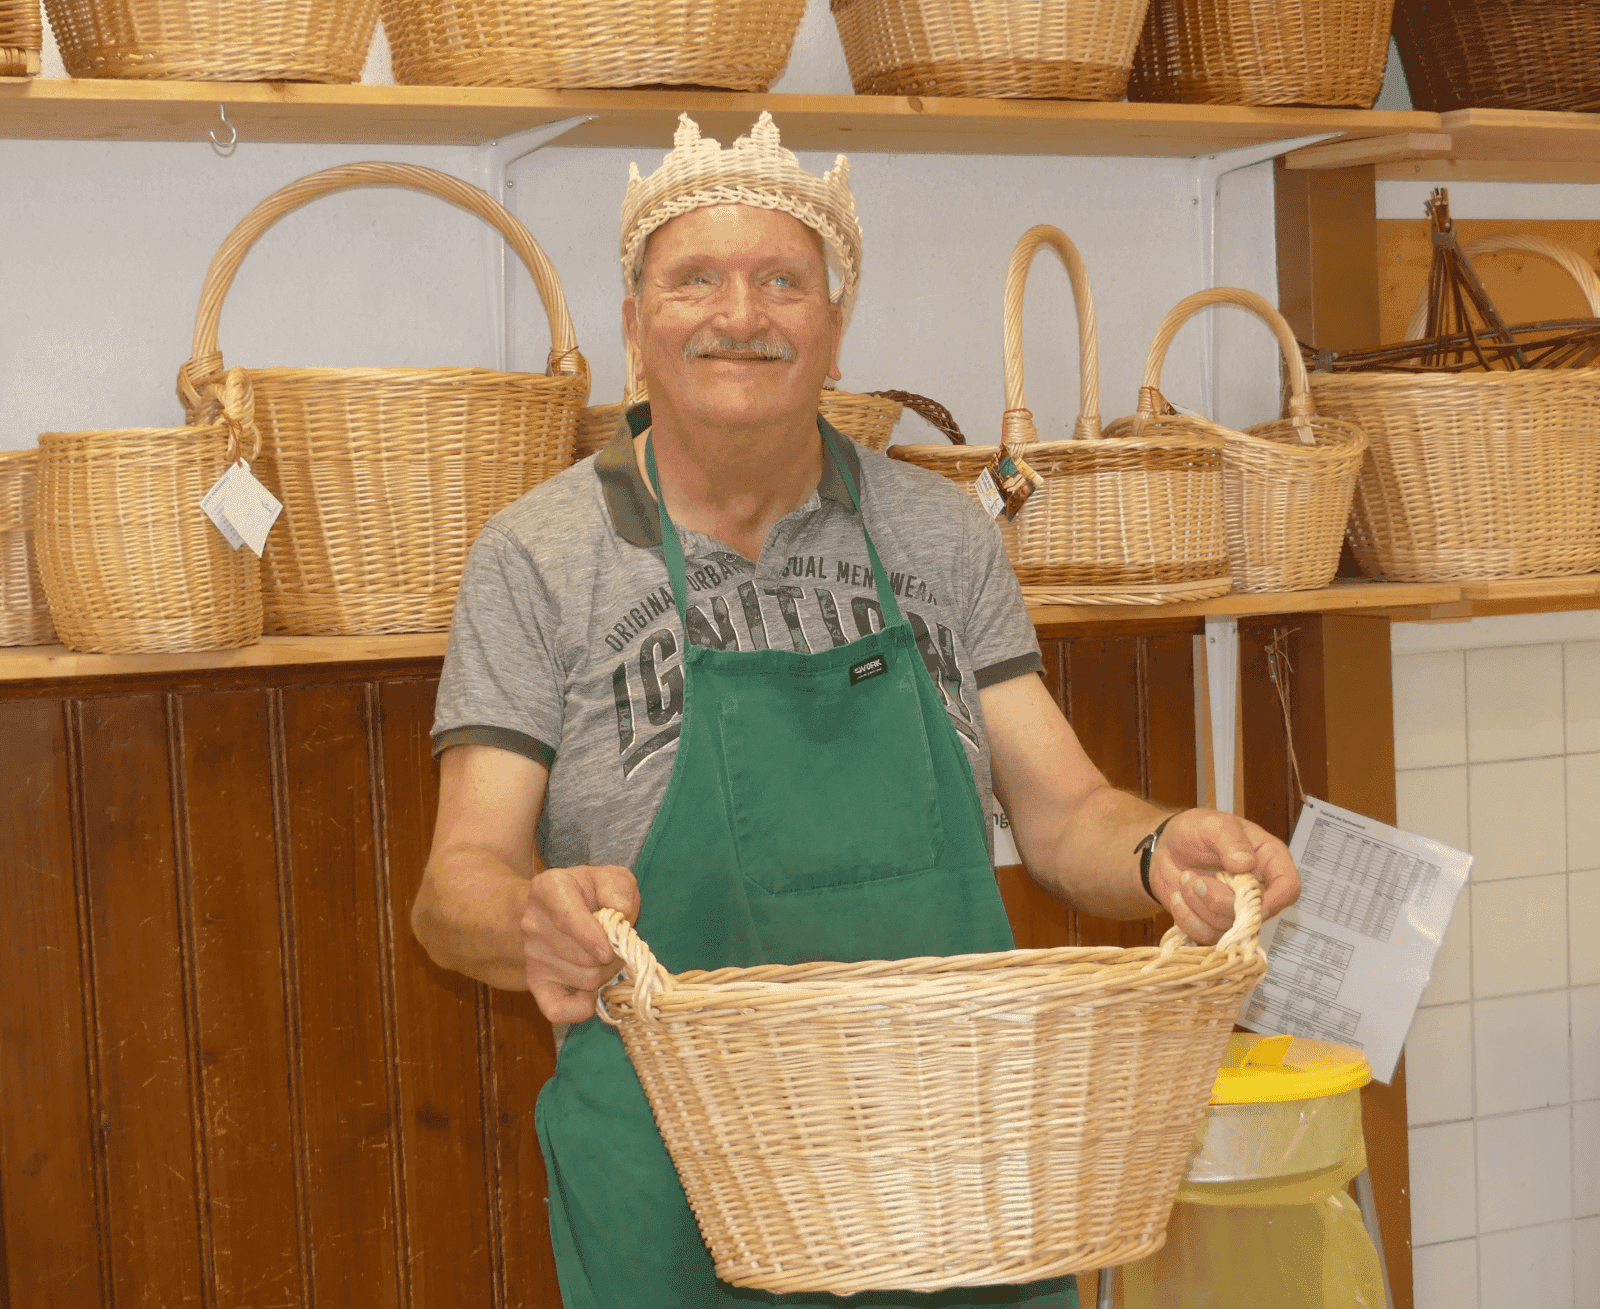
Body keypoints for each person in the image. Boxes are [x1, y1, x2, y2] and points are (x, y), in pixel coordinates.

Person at [413, 113, 1300, 1309]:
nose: (739, 314)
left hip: (952, 1166)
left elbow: (1061, 812)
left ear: (834, 329)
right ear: (634, 326)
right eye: (693, 279)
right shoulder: (538, 557)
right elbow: (454, 881)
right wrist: (530, 920)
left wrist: (1157, 850)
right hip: (679, 1181)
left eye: (783, 280)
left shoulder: (936, 534)